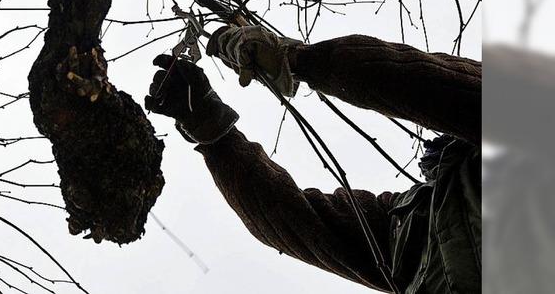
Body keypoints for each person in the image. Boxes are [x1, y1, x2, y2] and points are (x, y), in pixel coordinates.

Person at [145, 26, 481, 293]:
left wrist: (297, 60)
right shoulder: (419, 215)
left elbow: (437, 87)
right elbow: (296, 222)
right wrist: (216, 134)